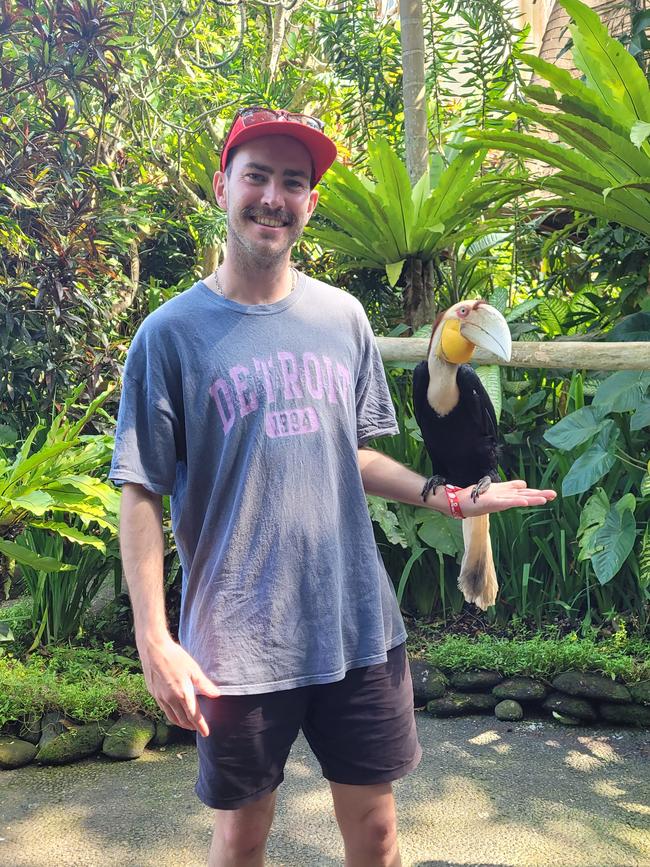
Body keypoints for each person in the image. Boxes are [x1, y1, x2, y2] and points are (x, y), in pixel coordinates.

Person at [110, 106, 556, 867]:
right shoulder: (169, 334)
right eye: (257, 176)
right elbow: (141, 490)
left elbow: (349, 455)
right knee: (242, 835)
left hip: (355, 624)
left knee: (378, 833)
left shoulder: (342, 318)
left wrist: (448, 496)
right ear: (224, 186)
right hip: (239, 640)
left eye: (293, 181)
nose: (273, 197)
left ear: (309, 202)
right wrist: (155, 637)